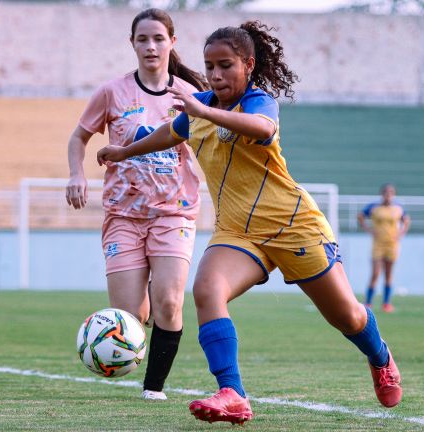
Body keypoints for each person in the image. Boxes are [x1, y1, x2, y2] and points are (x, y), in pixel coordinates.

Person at [97, 21, 403, 425]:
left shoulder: (258, 102)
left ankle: (380, 356)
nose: (216, 75)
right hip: (238, 232)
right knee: (207, 289)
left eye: (225, 65)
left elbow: (264, 128)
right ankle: (233, 393)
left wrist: (204, 110)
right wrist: (122, 151)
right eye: (210, 66)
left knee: (347, 316)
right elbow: (166, 134)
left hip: (294, 227)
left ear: (248, 65)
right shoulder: (200, 109)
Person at [65, 9, 207, 401]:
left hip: (173, 212)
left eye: (158, 38)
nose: (150, 46)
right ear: (132, 44)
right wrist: (77, 174)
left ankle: (153, 388)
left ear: (171, 43)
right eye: (142, 39)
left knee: (169, 301)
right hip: (124, 215)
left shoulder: (188, 96)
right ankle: (142, 296)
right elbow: (78, 138)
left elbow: (210, 143)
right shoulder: (113, 92)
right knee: (131, 317)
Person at [358, 184, 411, 313]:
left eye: (391, 193)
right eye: (386, 192)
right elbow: (360, 216)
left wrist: (401, 233)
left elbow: (407, 220)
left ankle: (386, 304)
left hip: (392, 244)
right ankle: (368, 302)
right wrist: (368, 229)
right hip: (378, 244)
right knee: (375, 273)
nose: (388, 195)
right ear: (382, 194)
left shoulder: (398, 208)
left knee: (388, 274)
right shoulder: (374, 207)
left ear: (394, 194)